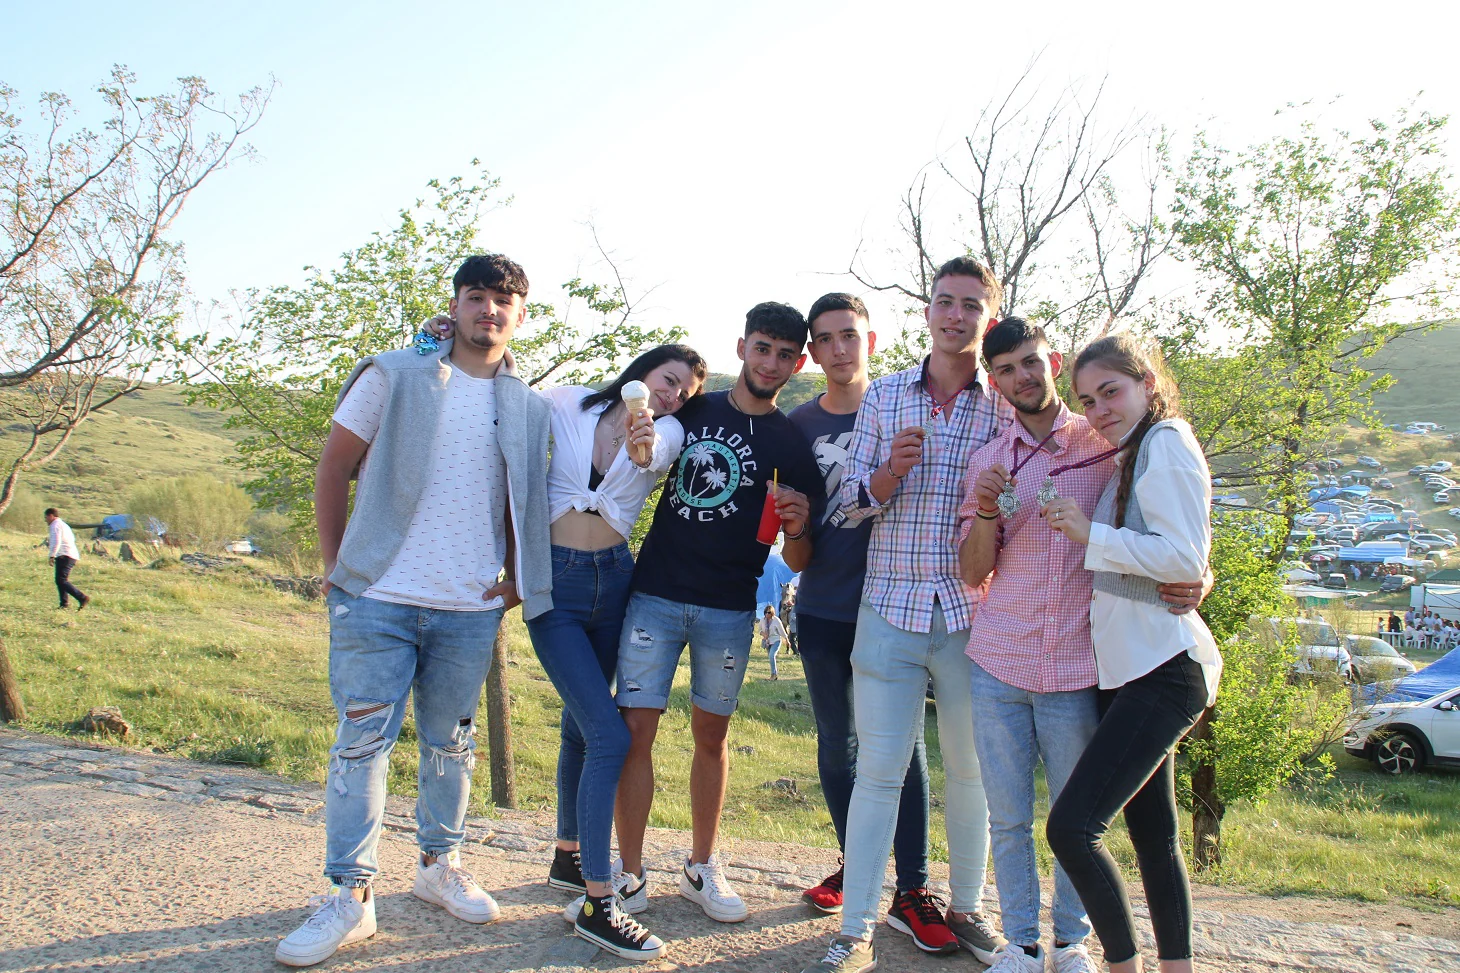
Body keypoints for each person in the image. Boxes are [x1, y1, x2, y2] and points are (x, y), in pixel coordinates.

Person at [276, 254, 553, 968]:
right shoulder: (392, 375)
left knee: (450, 745)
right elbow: (334, 465)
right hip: (379, 598)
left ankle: (438, 867)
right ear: (456, 305)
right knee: (361, 744)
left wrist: (518, 576)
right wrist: (338, 569)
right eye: (477, 296)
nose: (489, 310)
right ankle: (350, 896)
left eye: (503, 300)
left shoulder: (525, 403)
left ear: (520, 314)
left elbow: (522, 495)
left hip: (468, 604)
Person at [957, 319, 1209, 973]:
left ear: (1053, 361)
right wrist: (986, 513)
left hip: (1081, 663)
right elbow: (970, 572)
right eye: (1007, 368)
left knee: (1076, 822)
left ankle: (1070, 943)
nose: (1023, 376)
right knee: (1010, 815)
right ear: (996, 380)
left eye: (1032, 362)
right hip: (1001, 658)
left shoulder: (1108, 442)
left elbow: (1170, 526)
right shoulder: (987, 461)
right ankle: (1021, 942)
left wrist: (1200, 573)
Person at [801, 258, 1011, 973]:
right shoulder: (887, 396)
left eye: (971, 305)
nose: (956, 316)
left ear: (990, 313)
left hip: (969, 614)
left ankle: (968, 908)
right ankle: (854, 930)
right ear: (927, 312)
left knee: (970, 770)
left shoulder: (1002, 405)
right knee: (879, 770)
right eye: (945, 302)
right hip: (887, 608)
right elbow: (847, 507)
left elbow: (1025, 501)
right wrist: (888, 472)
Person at [613, 302, 820, 924]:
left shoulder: (791, 439)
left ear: (798, 361)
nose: (772, 363)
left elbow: (800, 556)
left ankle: (702, 865)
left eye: (786, 354)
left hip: (730, 609)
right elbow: (639, 440)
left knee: (713, 738)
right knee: (634, 735)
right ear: (741, 347)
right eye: (763, 348)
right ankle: (628, 873)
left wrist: (798, 523)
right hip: (654, 593)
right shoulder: (695, 408)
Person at [1042, 334, 1223, 973]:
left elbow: (1183, 557)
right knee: (1152, 836)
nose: (1099, 410)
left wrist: (1091, 534)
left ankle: (1123, 965)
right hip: (1130, 667)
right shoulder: (1134, 451)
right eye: (1087, 401)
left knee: (1071, 829)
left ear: (1146, 381)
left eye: (1110, 392)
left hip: (1164, 667)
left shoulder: (1167, 440)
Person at [525, 344, 707, 960]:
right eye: (667, 380)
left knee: (584, 726)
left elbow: (655, 454)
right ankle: (602, 904)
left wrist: (644, 443)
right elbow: (505, 398)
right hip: (555, 584)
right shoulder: (567, 402)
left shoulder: (669, 430)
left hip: (615, 580)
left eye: (684, 390)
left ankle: (569, 856)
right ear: (641, 372)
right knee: (608, 735)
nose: (673, 394)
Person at [788, 293, 936, 924]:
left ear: (870, 341)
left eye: (850, 334)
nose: (840, 348)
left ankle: (911, 887)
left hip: (896, 606)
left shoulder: (907, 408)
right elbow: (792, 545)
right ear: (812, 353)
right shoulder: (797, 427)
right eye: (826, 339)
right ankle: (858, 864)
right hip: (823, 605)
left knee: (904, 751)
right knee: (836, 746)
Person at [45, 508, 89, 610]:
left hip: (65, 555)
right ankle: (64, 604)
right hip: (68, 554)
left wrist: (52, 555)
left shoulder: (55, 525)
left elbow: (56, 542)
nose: (45, 520)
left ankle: (82, 597)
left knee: (61, 580)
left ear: (51, 516)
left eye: (46, 517)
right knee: (60, 580)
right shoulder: (63, 525)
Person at [760, 605, 789, 679]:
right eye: (765, 612)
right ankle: (773, 673)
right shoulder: (762, 620)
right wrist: (763, 634)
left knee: (771, 655)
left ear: (772, 613)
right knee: (771, 658)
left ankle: (774, 674)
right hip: (767, 642)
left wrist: (787, 640)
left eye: (769, 612)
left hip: (776, 640)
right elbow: (759, 630)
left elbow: (782, 631)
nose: (767, 614)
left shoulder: (776, 620)